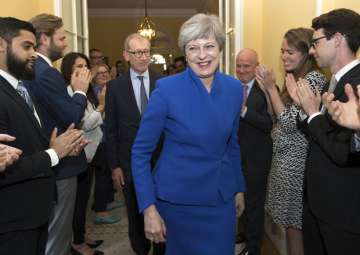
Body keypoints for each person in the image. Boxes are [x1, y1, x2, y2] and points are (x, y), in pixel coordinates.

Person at [131, 14, 246, 255]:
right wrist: (148, 208)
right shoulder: (166, 90)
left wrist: (238, 188)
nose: (202, 55)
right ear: (185, 52)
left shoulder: (235, 89)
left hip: (220, 201)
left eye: (209, 46)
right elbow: (140, 152)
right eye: (193, 48)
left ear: (221, 48)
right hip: (177, 203)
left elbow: (232, 144)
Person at [0, 17, 84, 255]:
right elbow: (6, 168)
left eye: (35, 47)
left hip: (32, 214)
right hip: (13, 219)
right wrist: (54, 153)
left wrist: (60, 147)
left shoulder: (20, 87)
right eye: (26, 46)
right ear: (1, 45)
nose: (34, 54)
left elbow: (22, 146)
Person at [285, 9, 360, 254]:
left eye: (316, 42)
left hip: (342, 211)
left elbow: (342, 152)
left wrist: (314, 113)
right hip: (320, 204)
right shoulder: (334, 81)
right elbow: (319, 135)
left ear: (337, 39)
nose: (312, 50)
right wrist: (305, 109)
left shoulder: (355, 85)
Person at [256, 28, 326, 255]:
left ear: (306, 53)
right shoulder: (294, 78)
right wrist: (269, 92)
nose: (284, 56)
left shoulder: (313, 79)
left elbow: (288, 124)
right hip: (283, 162)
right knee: (290, 226)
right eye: (282, 51)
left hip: (297, 165)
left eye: (290, 52)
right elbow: (276, 116)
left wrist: (270, 89)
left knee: (296, 226)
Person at [28, 13, 91, 255]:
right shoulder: (46, 72)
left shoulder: (39, 70)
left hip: (55, 159)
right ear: (44, 39)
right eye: (62, 38)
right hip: (61, 164)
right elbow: (71, 117)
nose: (66, 43)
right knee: (57, 236)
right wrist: (80, 92)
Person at [105, 33, 164, 255]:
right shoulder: (115, 87)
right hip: (128, 164)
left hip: (161, 162)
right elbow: (110, 130)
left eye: (146, 51)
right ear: (126, 55)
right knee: (136, 214)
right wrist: (115, 166)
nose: (142, 57)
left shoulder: (163, 83)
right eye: (137, 52)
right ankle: (140, 250)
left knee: (161, 211)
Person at [61, 52, 105, 255]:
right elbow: (84, 123)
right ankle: (77, 243)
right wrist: (102, 106)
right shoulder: (70, 92)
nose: (83, 70)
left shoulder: (84, 90)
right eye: (78, 66)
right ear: (69, 70)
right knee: (78, 202)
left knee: (84, 200)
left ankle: (81, 235)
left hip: (90, 152)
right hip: (81, 152)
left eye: (85, 66)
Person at [235, 48, 273, 255]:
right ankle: (244, 233)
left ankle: (254, 248)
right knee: (238, 199)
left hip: (257, 159)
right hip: (234, 157)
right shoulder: (230, 88)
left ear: (256, 66)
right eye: (238, 66)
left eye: (246, 66)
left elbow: (269, 124)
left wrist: (244, 111)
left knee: (254, 205)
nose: (241, 70)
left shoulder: (267, 89)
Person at [90, 62, 122, 225]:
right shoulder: (96, 93)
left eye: (106, 72)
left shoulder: (109, 89)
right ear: (93, 78)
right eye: (99, 73)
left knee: (107, 175)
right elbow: (99, 118)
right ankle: (100, 211)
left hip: (108, 138)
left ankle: (107, 201)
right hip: (100, 140)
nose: (103, 75)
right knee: (102, 176)